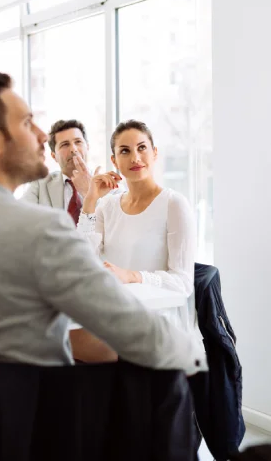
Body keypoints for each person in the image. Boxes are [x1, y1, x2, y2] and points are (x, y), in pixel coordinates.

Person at [0, 71, 206, 414]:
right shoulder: (41, 229)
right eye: (28, 123)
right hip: (28, 427)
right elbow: (127, 326)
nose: (43, 136)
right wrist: (198, 361)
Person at [73, 120, 204, 364]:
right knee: (60, 341)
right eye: (125, 151)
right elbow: (81, 259)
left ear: (154, 153)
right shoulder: (107, 205)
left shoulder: (174, 205)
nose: (135, 158)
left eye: (142, 148)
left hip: (160, 320)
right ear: (114, 161)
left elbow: (184, 283)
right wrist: (90, 199)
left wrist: (132, 276)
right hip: (118, 314)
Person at [20, 119, 94, 222]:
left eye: (78, 142)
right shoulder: (39, 185)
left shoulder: (108, 184)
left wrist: (89, 193)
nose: (73, 149)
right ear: (54, 156)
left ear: (88, 147)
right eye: (65, 144)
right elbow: (18, 217)